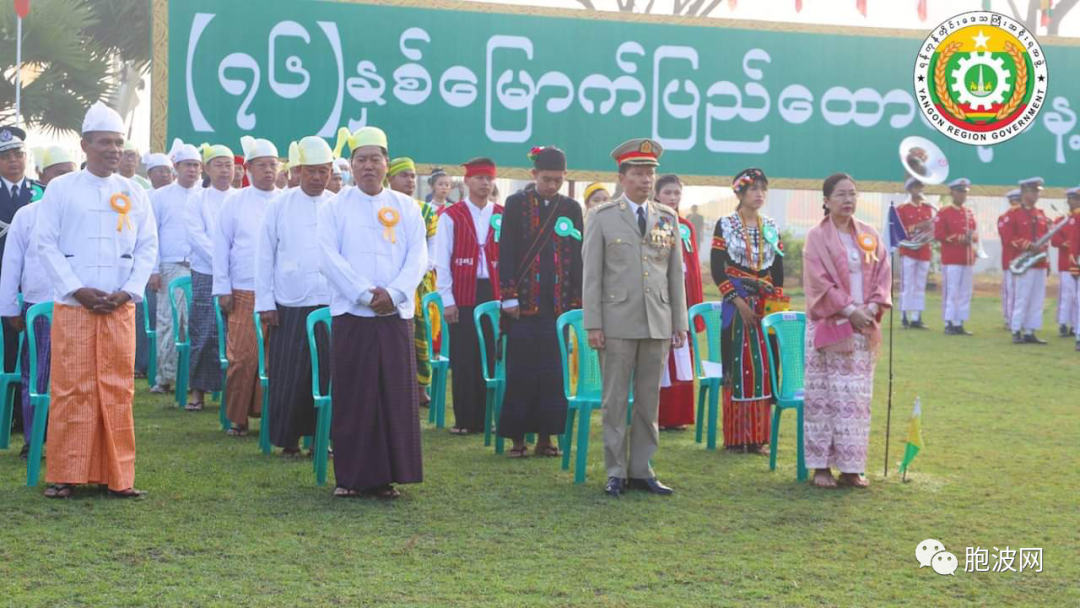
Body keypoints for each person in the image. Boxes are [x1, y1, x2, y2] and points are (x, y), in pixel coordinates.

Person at [35, 101, 158, 499]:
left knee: (118, 387)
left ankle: (117, 477)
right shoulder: (60, 188)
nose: (113, 150)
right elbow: (46, 244)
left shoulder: (134, 192)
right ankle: (67, 475)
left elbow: (147, 247)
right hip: (75, 306)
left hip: (119, 308)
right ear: (84, 145)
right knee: (73, 387)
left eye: (119, 143)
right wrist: (78, 290)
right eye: (105, 142)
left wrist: (128, 291)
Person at [317, 126, 426, 499]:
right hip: (353, 315)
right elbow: (328, 257)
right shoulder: (334, 206)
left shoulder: (407, 207)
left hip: (394, 316)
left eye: (375, 159)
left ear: (386, 163)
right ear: (351, 165)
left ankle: (386, 478)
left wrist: (393, 293)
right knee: (355, 396)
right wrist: (364, 295)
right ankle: (351, 477)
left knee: (392, 395)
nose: (368, 166)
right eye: (360, 160)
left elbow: (418, 257)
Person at [582, 138, 687, 497]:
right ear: (621, 176)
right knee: (614, 400)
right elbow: (591, 274)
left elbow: (676, 274)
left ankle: (641, 468)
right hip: (616, 322)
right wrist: (593, 324)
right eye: (639, 173)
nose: (646, 180)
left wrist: (679, 323)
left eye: (650, 173)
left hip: (657, 320)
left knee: (648, 400)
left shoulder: (667, 217)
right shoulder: (602, 216)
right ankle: (615, 471)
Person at [803, 173, 891, 489]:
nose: (848, 200)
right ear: (826, 201)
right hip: (829, 327)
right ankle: (821, 467)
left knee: (855, 400)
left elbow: (883, 273)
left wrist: (870, 308)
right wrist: (849, 310)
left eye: (852, 194)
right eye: (841, 194)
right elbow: (818, 281)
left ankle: (852, 468)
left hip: (861, 329)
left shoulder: (868, 234)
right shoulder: (817, 236)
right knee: (824, 400)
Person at [498, 146, 582, 458]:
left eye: (558, 180)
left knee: (553, 372)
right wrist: (507, 295)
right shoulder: (515, 203)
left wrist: (576, 301)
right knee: (521, 371)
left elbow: (577, 257)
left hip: (557, 305)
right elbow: (505, 251)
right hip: (522, 303)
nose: (552, 185)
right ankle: (517, 439)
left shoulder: (571, 207)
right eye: (547, 179)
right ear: (534, 175)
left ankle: (547, 438)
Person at [255, 137, 333, 456]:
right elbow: (264, 256)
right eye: (311, 172)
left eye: (323, 172)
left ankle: (322, 437)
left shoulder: (336, 203)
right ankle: (288, 440)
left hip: (329, 302)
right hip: (288, 303)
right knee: (290, 373)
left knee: (327, 372)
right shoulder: (279, 205)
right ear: (299, 171)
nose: (317, 178)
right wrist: (265, 303)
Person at [710, 168, 784, 454]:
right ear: (739, 193)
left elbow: (777, 268)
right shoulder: (726, 224)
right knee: (738, 368)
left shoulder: (771, 225)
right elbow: (718, 269)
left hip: (764, 305)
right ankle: (736, 438)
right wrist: (738, 302)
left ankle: (759, 438)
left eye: (763, 189)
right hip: (737, 304)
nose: (759, 194)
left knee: (764, 367)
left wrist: (776, 302)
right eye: (753, 189)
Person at [214, 136, 279, 435]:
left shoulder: (285, 199)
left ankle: (267, 414)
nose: (268, 171)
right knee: (242, 356)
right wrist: (223, 288)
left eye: (273, 165)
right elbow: (221, 246)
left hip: (279, 291)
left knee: (273, 356)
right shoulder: (235, 201)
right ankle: (237, 418)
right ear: (249, 168)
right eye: (262, 165)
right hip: (242, 289)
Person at [434, 157, 502, 435]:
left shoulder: (502, 213)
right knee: (465, 356)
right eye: (479, 178)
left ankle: (489, 417)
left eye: (489, 179)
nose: (484, 183)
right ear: (467, 182)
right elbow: (442, 259)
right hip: (463, 290)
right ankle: (466, 420)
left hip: (493, 291)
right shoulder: (452, 215)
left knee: (492, 353)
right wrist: (447, 300)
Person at [0, 177, 53, 458]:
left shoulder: (87, 211)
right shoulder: (29, 213)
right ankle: (34, 439)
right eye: (56, 174)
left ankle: (68, 440)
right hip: (39, 307)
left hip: (83, 305)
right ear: (44, 178)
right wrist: (9, 308)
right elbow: (12, 263)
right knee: (37, 375)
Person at [147, 139, 201, 395]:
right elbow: (151, 235)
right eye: (188, 165)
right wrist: (153, 269)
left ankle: (191, 377)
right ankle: (165, 377)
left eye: (196, 166)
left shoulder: (203, 195)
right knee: (169, 321)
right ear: (176, 167)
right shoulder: (160, 196)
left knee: (195, 322)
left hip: (199, 267)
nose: (192, 170)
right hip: (169, 266)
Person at [184, 143, 234, 411]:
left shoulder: (240, 197)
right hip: (207, 272)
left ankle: (233, 392)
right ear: (207, 169)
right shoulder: (197, 200)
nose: (225, 170)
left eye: (229, 165)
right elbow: (197, 237)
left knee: (235, 332)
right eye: (219, 165)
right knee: (204, 330)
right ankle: (197, 390)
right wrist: (222, 263)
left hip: (238, 275)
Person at [388, 157, 438, 406]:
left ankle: (421, 387)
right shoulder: (381, 206)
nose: (410, 180)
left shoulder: (426, 210)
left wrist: (416, 272)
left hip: (418, 287)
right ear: (390, 179)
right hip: (388, 285)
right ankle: (396, 387)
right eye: (404, 175)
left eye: (412, 176)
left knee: (421, 335)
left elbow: (431, 250)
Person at [0, 125, 40, 423]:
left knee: (29, 348)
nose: (13, 161)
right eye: (5, 156)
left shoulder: (41, 192)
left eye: (18, 154)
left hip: (31, 284)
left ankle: (20, 412)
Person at [655, 174, 700, 431]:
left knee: (682, 355)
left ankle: (679, 416)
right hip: (661, 299)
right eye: (668, 193)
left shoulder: (686, 227)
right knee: (659, 358)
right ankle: (659, 416)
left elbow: (692, 270)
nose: (673, 198)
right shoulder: (651, 222)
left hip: (684, 300)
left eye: (677, 194)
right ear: (657, 194)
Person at [1000, 177, 1050, 345]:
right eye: (1032, 191)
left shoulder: (1041, 214)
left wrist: (1046, 260)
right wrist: (1028, 245)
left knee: (1037, 298)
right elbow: (1008, 237)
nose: (1036, 194)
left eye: (1037, 191)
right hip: (1023, 262)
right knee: (1021, 297)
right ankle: (1016, 329)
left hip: (1039, 262)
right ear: (1023, 192)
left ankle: (1030, 331)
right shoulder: (1012, 214)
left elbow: (1045, 239)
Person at [933, 178, 978, 336]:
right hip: (952, 258)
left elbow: (974, 233)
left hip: (966, 258)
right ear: (952, 192)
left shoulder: (969, 213)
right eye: (959, 192)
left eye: (964, 192)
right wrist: (959, 238)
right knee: (951, 291)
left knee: (965, 292)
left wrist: (971, 238)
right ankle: (948, 322)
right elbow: (939, 234)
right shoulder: (944, 212)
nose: (962, 195)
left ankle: (959, 322)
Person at [896, 177, 935, 329]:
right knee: (908, 284)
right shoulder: (902, 209)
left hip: (924, 250)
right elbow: (900, 231)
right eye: (917, 188)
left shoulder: (927, 208)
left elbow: (932, 228)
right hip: (909, 250)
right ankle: (904, 315)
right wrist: (919, 226)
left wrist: (928, 229)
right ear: (910, 190)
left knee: (920, 285)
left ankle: (917, 316)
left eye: (921, 188)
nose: (920, 191)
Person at [1051, 188, 1079, 338]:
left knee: (1077, 296)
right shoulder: (1061, 221)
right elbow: (1054, 241)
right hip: (1066, 264)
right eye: (1073, 199)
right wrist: (1067, 243)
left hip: (1077, 263)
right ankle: (1063, 323)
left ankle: (1075, 326)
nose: (1075, 202)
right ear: (1068, 201)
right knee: (1067, 295)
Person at [997, 189, 1022, 329]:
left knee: (1020, 291)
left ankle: (1017, 318)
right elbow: (1007, 239)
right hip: (1010, 258)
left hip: (1023, 260)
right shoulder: (1004, 218)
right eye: (1015, 201)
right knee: (1010, 290)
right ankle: (1008, 317)